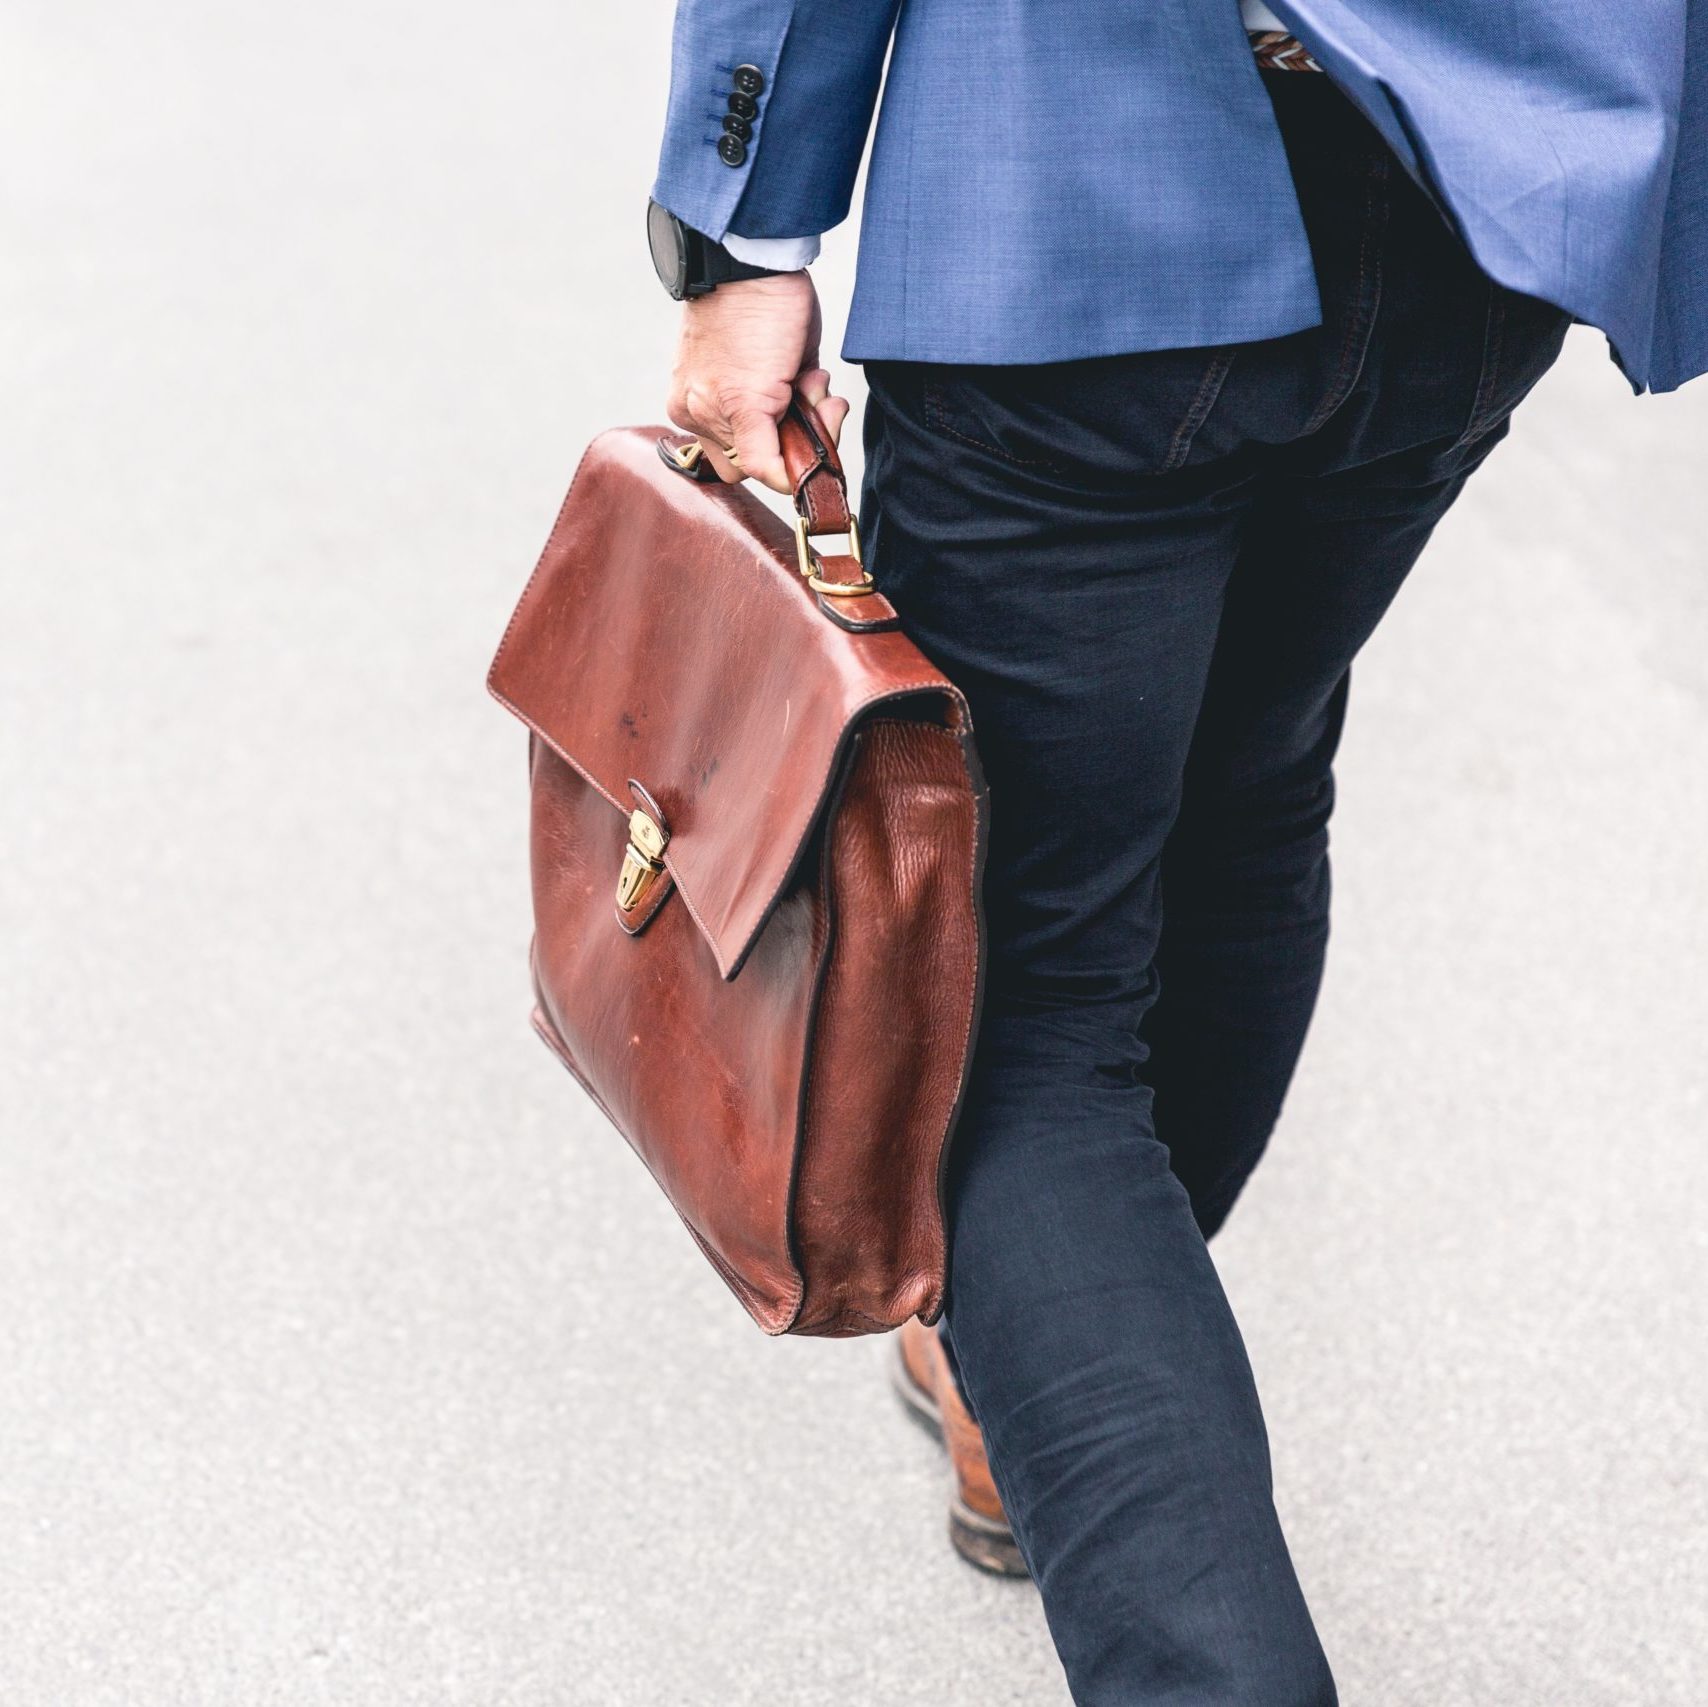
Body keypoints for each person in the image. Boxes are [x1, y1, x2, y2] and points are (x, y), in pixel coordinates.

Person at [642, 3, 1706, 1702]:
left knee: (1018, 1005)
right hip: (1481, 203)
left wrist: (745, 227)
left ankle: (1095, 1435)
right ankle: (1046, 1367)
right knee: (1250, 785)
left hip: (1080, 189)